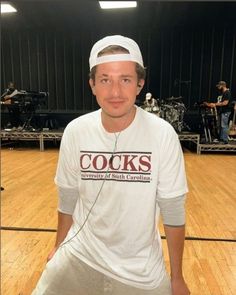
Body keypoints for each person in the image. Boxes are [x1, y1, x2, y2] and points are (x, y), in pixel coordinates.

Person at [32, 35, 190, 295]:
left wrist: (177, 278)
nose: (115, 92)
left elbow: (173, 210)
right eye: (105, 80)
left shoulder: (162, 135)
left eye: (125, 80)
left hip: (140, 271)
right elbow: (68, 199)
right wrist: (58, 247)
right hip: (80, 255)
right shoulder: (76, 131)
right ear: (92, 84)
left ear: (140, 84)